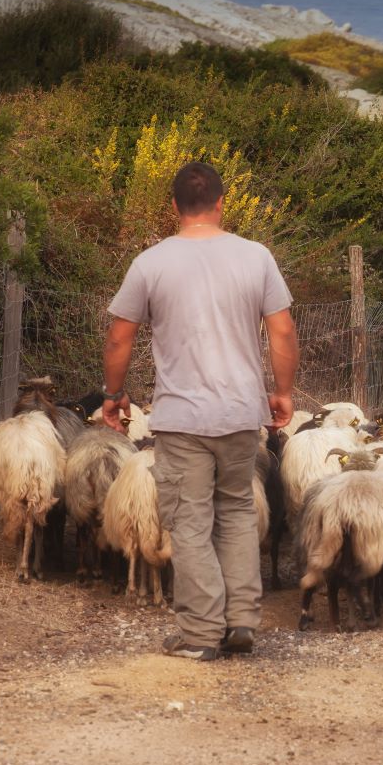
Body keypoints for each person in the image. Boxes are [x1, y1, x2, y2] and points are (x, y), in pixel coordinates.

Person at [101, 161, 299, 661]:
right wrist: (283, 392)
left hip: (182, 419)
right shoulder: (257, 257)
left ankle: (201, 632)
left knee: (189, 521)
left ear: (174, 208)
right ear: (221, 203)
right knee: (234, 512)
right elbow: (282, 331)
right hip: (239, 414)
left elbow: (120, 335)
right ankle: (241, 624)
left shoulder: (150, 263)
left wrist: (113, 393)